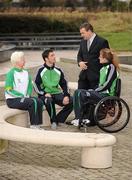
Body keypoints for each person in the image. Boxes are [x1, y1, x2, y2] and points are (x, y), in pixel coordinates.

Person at [73, 48, 120, 126]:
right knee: (77, 92)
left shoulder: (111, 67)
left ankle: (79, 119)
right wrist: (93, 90)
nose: (99, 58)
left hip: (107, 95)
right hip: (101, 93)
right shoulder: (102, 69)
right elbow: (100, 84)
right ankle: (81, 118)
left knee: (80, 93)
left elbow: (107, 84)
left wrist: (95, 91)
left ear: (105, 58)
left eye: (100, 56)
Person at [35, 49, 73, 129]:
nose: (54, 57)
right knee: (49, 100)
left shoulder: (58, 70)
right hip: (45, 95)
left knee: (72, 100)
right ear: (46, 58)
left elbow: (64, 84)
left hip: (56, 93)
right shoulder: (41, 70)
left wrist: (66, 95)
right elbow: (36, 85)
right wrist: (44, 93)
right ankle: (54, 121)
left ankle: (59, 119)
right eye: (52, 55)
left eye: (54, 55)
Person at [5, 51, 44, 130]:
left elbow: (30, 86)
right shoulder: (11, 73)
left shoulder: (26, 72)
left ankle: (38, 125)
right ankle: (33, 125)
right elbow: (8, 90)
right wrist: (21, 95)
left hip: (24, 98)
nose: (25, 61)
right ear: (16, 61)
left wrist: (28, 95)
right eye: (22, 59)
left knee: (39, 101)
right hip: (13, 100)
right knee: (32, 102)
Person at [77, 22, 110, 90]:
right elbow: (79, 55)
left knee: (94, 100)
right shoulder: (82, 42)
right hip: (83, 77)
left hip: (96, 78)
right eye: (81, 33)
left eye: (83, 33)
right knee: (80, 97)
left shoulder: (102, 42)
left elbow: (107, 59)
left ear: (89, 31)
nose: (81, 35)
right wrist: (80, 62)